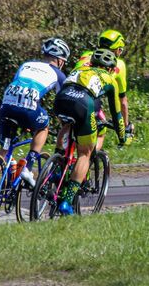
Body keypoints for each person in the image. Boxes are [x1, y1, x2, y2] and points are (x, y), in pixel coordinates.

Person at [54, 49, 128, 215]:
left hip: (61, 100)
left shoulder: (79, 68)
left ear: (92, 62)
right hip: (83, 103)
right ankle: (67, 201)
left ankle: (57, 168)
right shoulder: (110, 79)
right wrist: (122, 136)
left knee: (67, 127)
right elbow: (116, 114)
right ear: (110, 69)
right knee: (85, 153)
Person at [0, 37, 69, 187]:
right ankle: (28, 167)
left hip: (6, 105)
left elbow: (19, 86)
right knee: (43, 126)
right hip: (29, 107)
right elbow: (64, 102)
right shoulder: (58, 74)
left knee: (4, 149)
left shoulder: (26, 65)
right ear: (60, 60)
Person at [74, 30, 132, 149]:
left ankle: (61, 154)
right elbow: (123, 101)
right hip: (88, 100)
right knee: (101, 130)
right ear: (117, 49)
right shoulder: (119, 64)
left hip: (68, 92)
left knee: (69, 126)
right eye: (120, 49)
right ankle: (88, 158)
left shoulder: (86, 54)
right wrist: (125, 127)